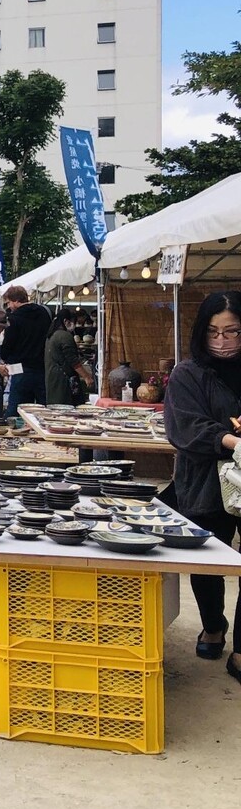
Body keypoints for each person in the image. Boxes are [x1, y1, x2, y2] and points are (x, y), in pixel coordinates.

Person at [164, 292, 241, 681]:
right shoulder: (188, 373)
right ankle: (214, 624)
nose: (222, 341)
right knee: (208, 560)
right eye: (213, 332)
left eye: (232, 332)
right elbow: (184, 427)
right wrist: (230, 439)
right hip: (205, 479)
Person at [0, 285, 51, 414]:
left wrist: (4, 355)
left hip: (19, 368)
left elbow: (8, 345)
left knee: (17, 410)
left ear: (16, 301)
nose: (9, 306)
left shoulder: (14, 319)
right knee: (42, 410)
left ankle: (19, 433)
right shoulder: (44, 313)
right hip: (42, 367)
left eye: (9, 303)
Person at [45, 306, 94, 405]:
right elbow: (73, 360)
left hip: (52, 379)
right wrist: (86, 377)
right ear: (66, 321)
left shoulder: (51, 336)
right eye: (73, 322)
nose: (74, 325)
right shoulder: (64, 336)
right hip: (64, 381)